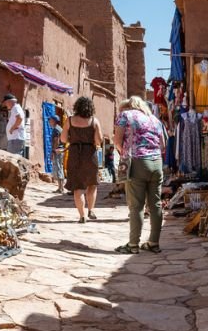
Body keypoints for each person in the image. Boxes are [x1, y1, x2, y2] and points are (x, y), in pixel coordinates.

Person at [113, 96, 166, 254]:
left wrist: (123, 151)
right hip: (157, 163)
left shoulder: (125, 115)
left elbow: (117, 140)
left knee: (136, 205)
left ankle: (133, 244)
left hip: (137, 162)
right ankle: (153, 243)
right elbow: (163, 145)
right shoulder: (154, 119)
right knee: (155, 203)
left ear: (128, 106)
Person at [63, 96, 101, 222]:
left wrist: (73, 140)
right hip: (90, 154)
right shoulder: (94, 121)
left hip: (74, 154)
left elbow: (63, 139)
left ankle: (82, 215)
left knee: (77, 187)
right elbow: (98, 141)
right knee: (92, 184)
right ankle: (91, 210)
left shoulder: (69, 120)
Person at [50, 115, 67, 193]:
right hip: (60, 150)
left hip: (57, 150)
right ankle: (60, 187)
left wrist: (53, 151)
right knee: (60, 167)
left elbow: (56, 141)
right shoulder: (59, 128)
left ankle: (61, 188)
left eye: (50, 120)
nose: (49, 121)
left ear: (54, 120)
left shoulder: (56, 129)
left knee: (59, 168)